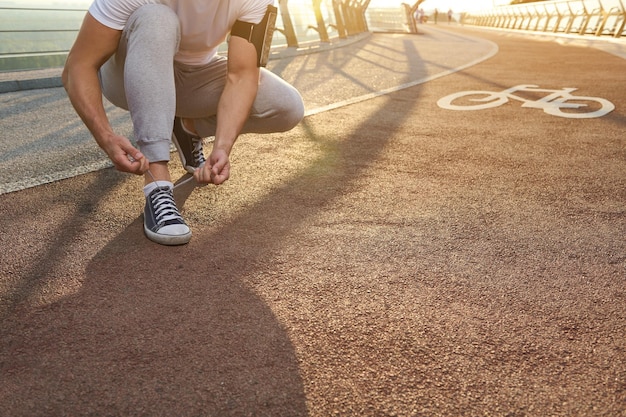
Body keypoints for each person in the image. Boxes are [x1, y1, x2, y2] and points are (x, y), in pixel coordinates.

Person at [62, 0, 305, 246]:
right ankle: (158, 185)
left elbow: (241, 75)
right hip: (128, 73)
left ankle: (186, 126)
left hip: (193, 79)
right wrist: (106, 137)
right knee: (157, 17)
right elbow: (78, 66)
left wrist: (222, 146)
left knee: (286, 105)